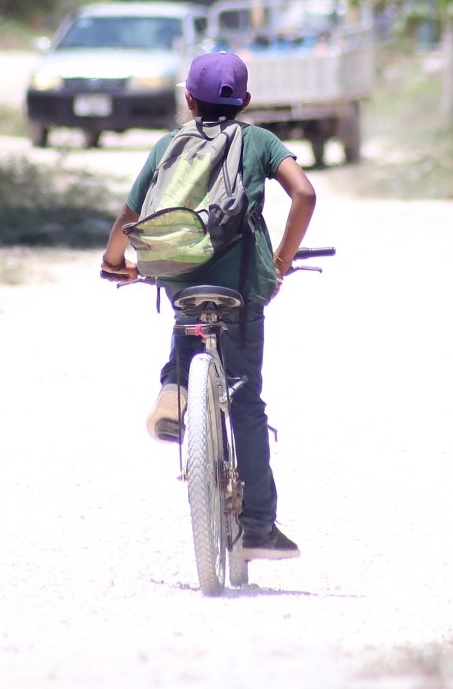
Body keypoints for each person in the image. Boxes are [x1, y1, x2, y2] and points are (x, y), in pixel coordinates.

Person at [101, 50, 317, 561]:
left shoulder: (167, 145)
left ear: (188, 98)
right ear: (245, 101)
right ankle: (260, 525)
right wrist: (281, 261)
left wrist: (116, 261)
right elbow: (304, 195)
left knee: (187, 320)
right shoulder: (260, 141)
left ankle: (175, 392)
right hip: (244, 288)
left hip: (179, 278)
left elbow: (131, 214)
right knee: (245, 398)